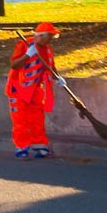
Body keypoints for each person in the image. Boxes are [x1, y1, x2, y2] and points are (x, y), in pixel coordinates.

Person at [6, 21, 64, 158]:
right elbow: (14, 65)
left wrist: (58, 78)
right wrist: (28, 55)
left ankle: (40, 146)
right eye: (50, 36)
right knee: (20, 120)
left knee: (37, 119)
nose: (51, 39)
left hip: (36, 90)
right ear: (40, 36)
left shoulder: (47, 49)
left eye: (52, 37)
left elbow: (51, 66)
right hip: (18, 89)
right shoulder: (25, 45)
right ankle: (22, 148)